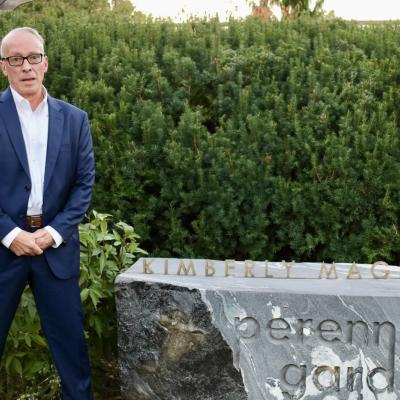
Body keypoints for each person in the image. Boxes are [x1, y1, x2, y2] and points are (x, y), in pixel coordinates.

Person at [0, 27, 95, 399]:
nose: (26, 66)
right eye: (16, 59)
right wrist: (10, 234)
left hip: (55, 249)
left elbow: (83, 185)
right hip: (4, 247)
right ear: (4, 67)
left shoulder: (75, 119)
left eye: (34, 57)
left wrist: (53, 233)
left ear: (46, 63)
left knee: (73, 356)